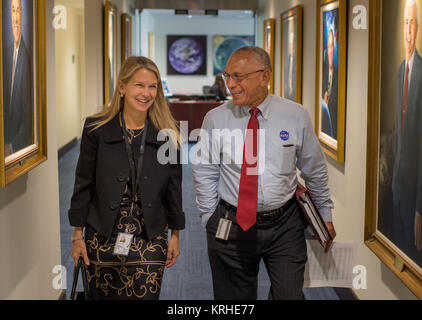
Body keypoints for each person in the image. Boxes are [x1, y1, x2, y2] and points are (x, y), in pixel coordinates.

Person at [192, 46, 336, 300]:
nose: (230, 84)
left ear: (265, 76)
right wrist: (208, 216)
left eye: (238, 76)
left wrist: (324, 213)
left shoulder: (295, 115)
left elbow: (314, 169)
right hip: (231, 223)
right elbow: (204, 170)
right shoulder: (215, 119)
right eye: (227, 76)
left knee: (289, 296)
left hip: (285, 225)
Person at [68, 56, 185, 300]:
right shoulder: (96, 129)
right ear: (122, 87)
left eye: (152, 86)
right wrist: (77, 236)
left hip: (150, 238)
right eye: (139, 85)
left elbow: (174, 188)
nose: (146, 93)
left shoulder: (167, 132)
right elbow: (83, 185)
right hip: (102, 235)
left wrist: (175, 235)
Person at [392, 0, 422, 263]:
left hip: (416, 194)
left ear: (418, 28)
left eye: (412, 22)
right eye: (405, 22)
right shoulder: (401, 71)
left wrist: (420, 208)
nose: (408, 29)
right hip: (397, 189)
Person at [3, 0, 33, 156]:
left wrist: (12, 146)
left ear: (22, 14)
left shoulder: (27, 58)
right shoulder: (6, 55)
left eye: (18, 11)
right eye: (13, 11)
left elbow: (28, 115)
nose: (15, 18)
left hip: (16, 147)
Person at [321, 26, 338, 140]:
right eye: (329, 46)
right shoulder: (322, 71)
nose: (330, 50)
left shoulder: (338, 75)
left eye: (332, 45)